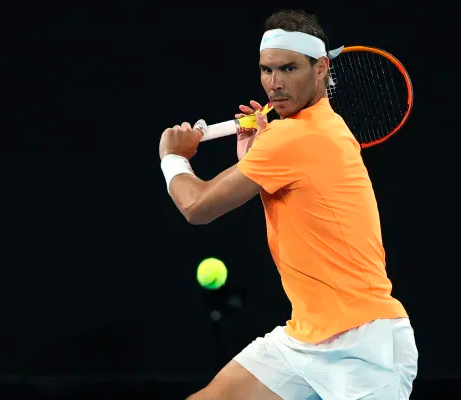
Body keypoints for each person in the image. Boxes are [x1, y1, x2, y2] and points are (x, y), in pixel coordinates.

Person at [158, 9, 418, 400]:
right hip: (306, 337)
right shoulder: (318, 129)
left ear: (321, 69)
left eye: (289, 69)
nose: (274, 84)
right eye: (266, 70)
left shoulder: (294, 137)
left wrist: (173, 157)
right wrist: (253, 156)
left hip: (366, 346)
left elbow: (197, 206)